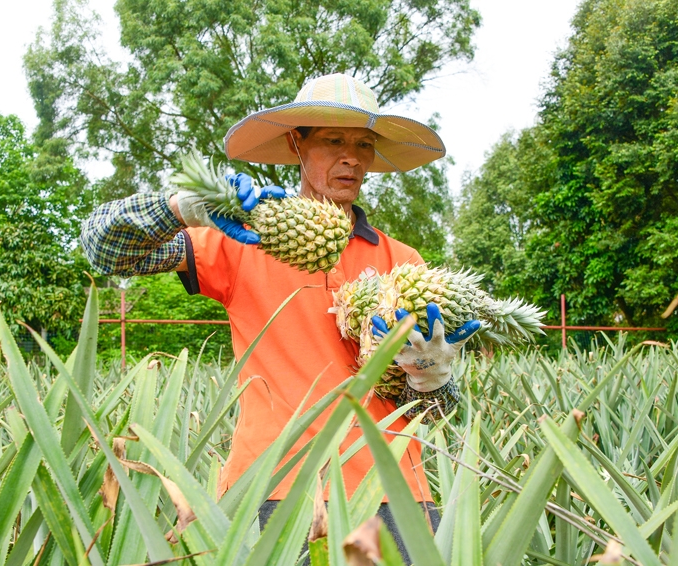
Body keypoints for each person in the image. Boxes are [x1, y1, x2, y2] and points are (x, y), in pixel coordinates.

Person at [80, 73, 480, 560]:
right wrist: (185, 207)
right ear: (297, 143)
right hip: (273, 487)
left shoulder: (404, 260)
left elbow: (430, 417)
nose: (351, 157)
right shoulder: (243, 239)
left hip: (394, 495)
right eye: (333, 140)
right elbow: (105, 248)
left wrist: (433, 378)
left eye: (364, 144)